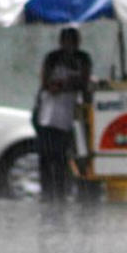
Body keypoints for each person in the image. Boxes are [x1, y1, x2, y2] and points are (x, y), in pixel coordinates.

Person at [35, 27, 91, 202]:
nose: (69, 45)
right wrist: (61, 85)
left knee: (64, 154)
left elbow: (83, 82)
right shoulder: (52, 57)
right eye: (66, 41)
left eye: (73, 41)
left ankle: (62, 189)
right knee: (47, 154)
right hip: (48, 114)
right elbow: (46, 83)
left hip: (70, 113)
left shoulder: (82, 58)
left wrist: (64, 85)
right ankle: (47, 191)